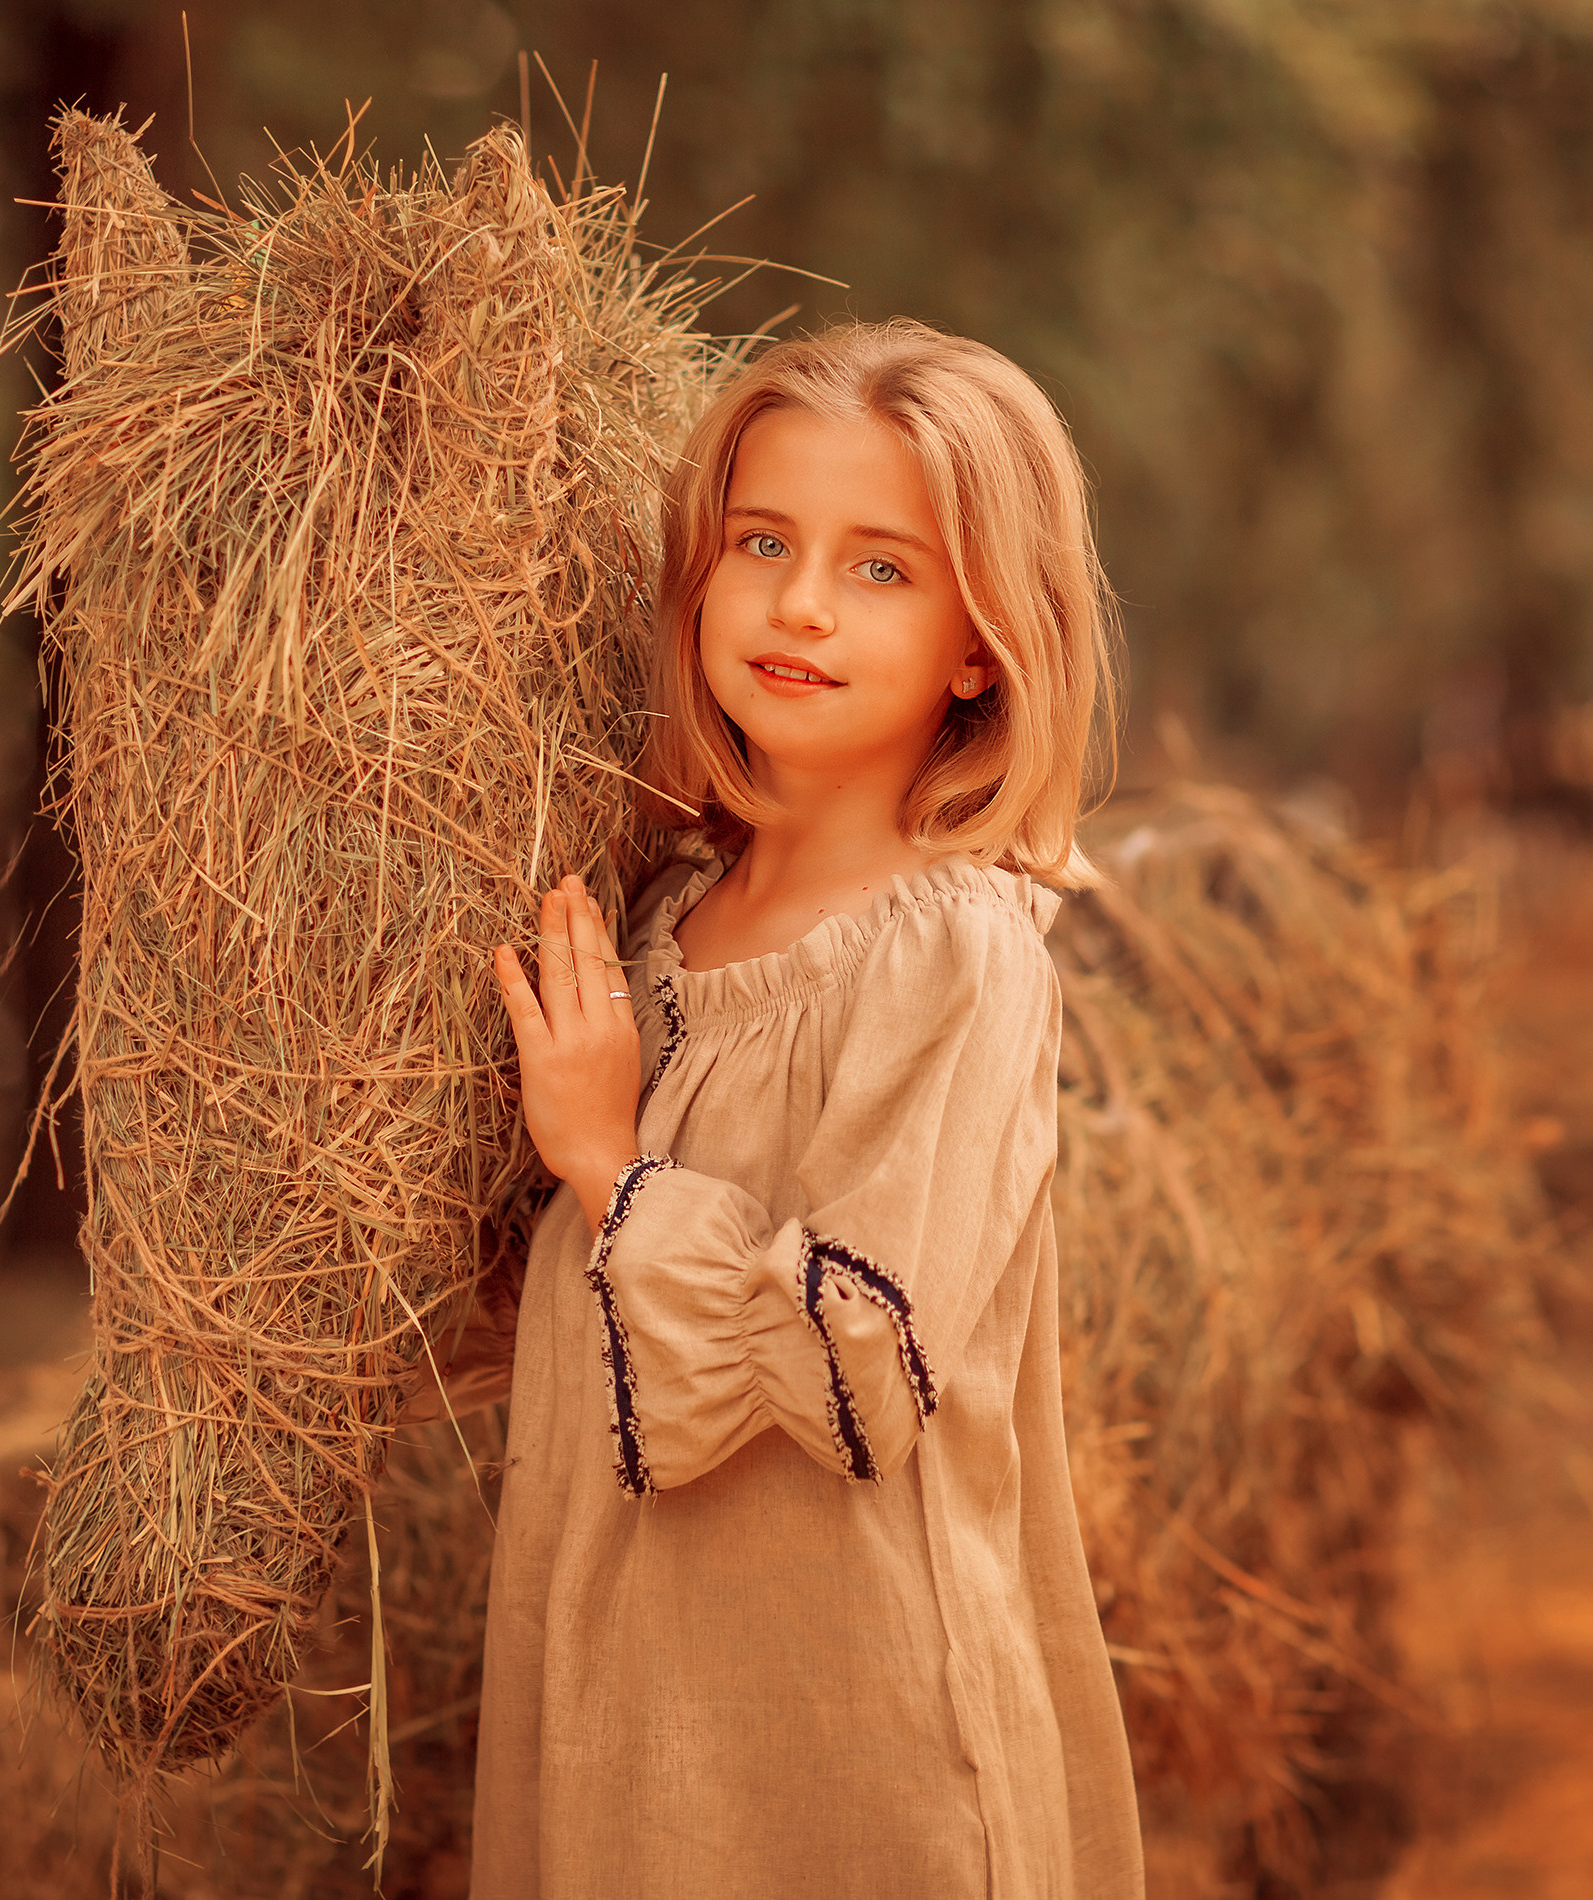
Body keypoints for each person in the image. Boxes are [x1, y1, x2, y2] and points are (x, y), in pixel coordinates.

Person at [462, 319, 1144, 1898]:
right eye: (761, 541)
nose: (801, 604)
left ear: (985, 644)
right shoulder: (659, 916)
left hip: (852, 1732)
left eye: (883, 568)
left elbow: (858, 1368)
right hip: (625, 1700)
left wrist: (608, 1163)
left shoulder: (959, 951)